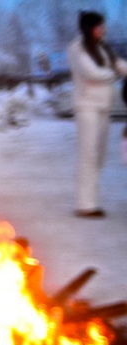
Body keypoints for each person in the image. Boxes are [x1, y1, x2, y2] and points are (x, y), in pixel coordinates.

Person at [67, 11, 127, 218]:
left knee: (99, 156)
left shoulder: (103, 48)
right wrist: (113, 74)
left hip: (103, 107)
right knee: (88, 154)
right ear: (89, 28)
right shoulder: (77, 48)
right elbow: (91, 72)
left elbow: (119, 64)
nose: (104, 30)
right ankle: (85, 205)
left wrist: (120, 70)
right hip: (87, 107)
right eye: (100, 26)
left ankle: (91, 200)